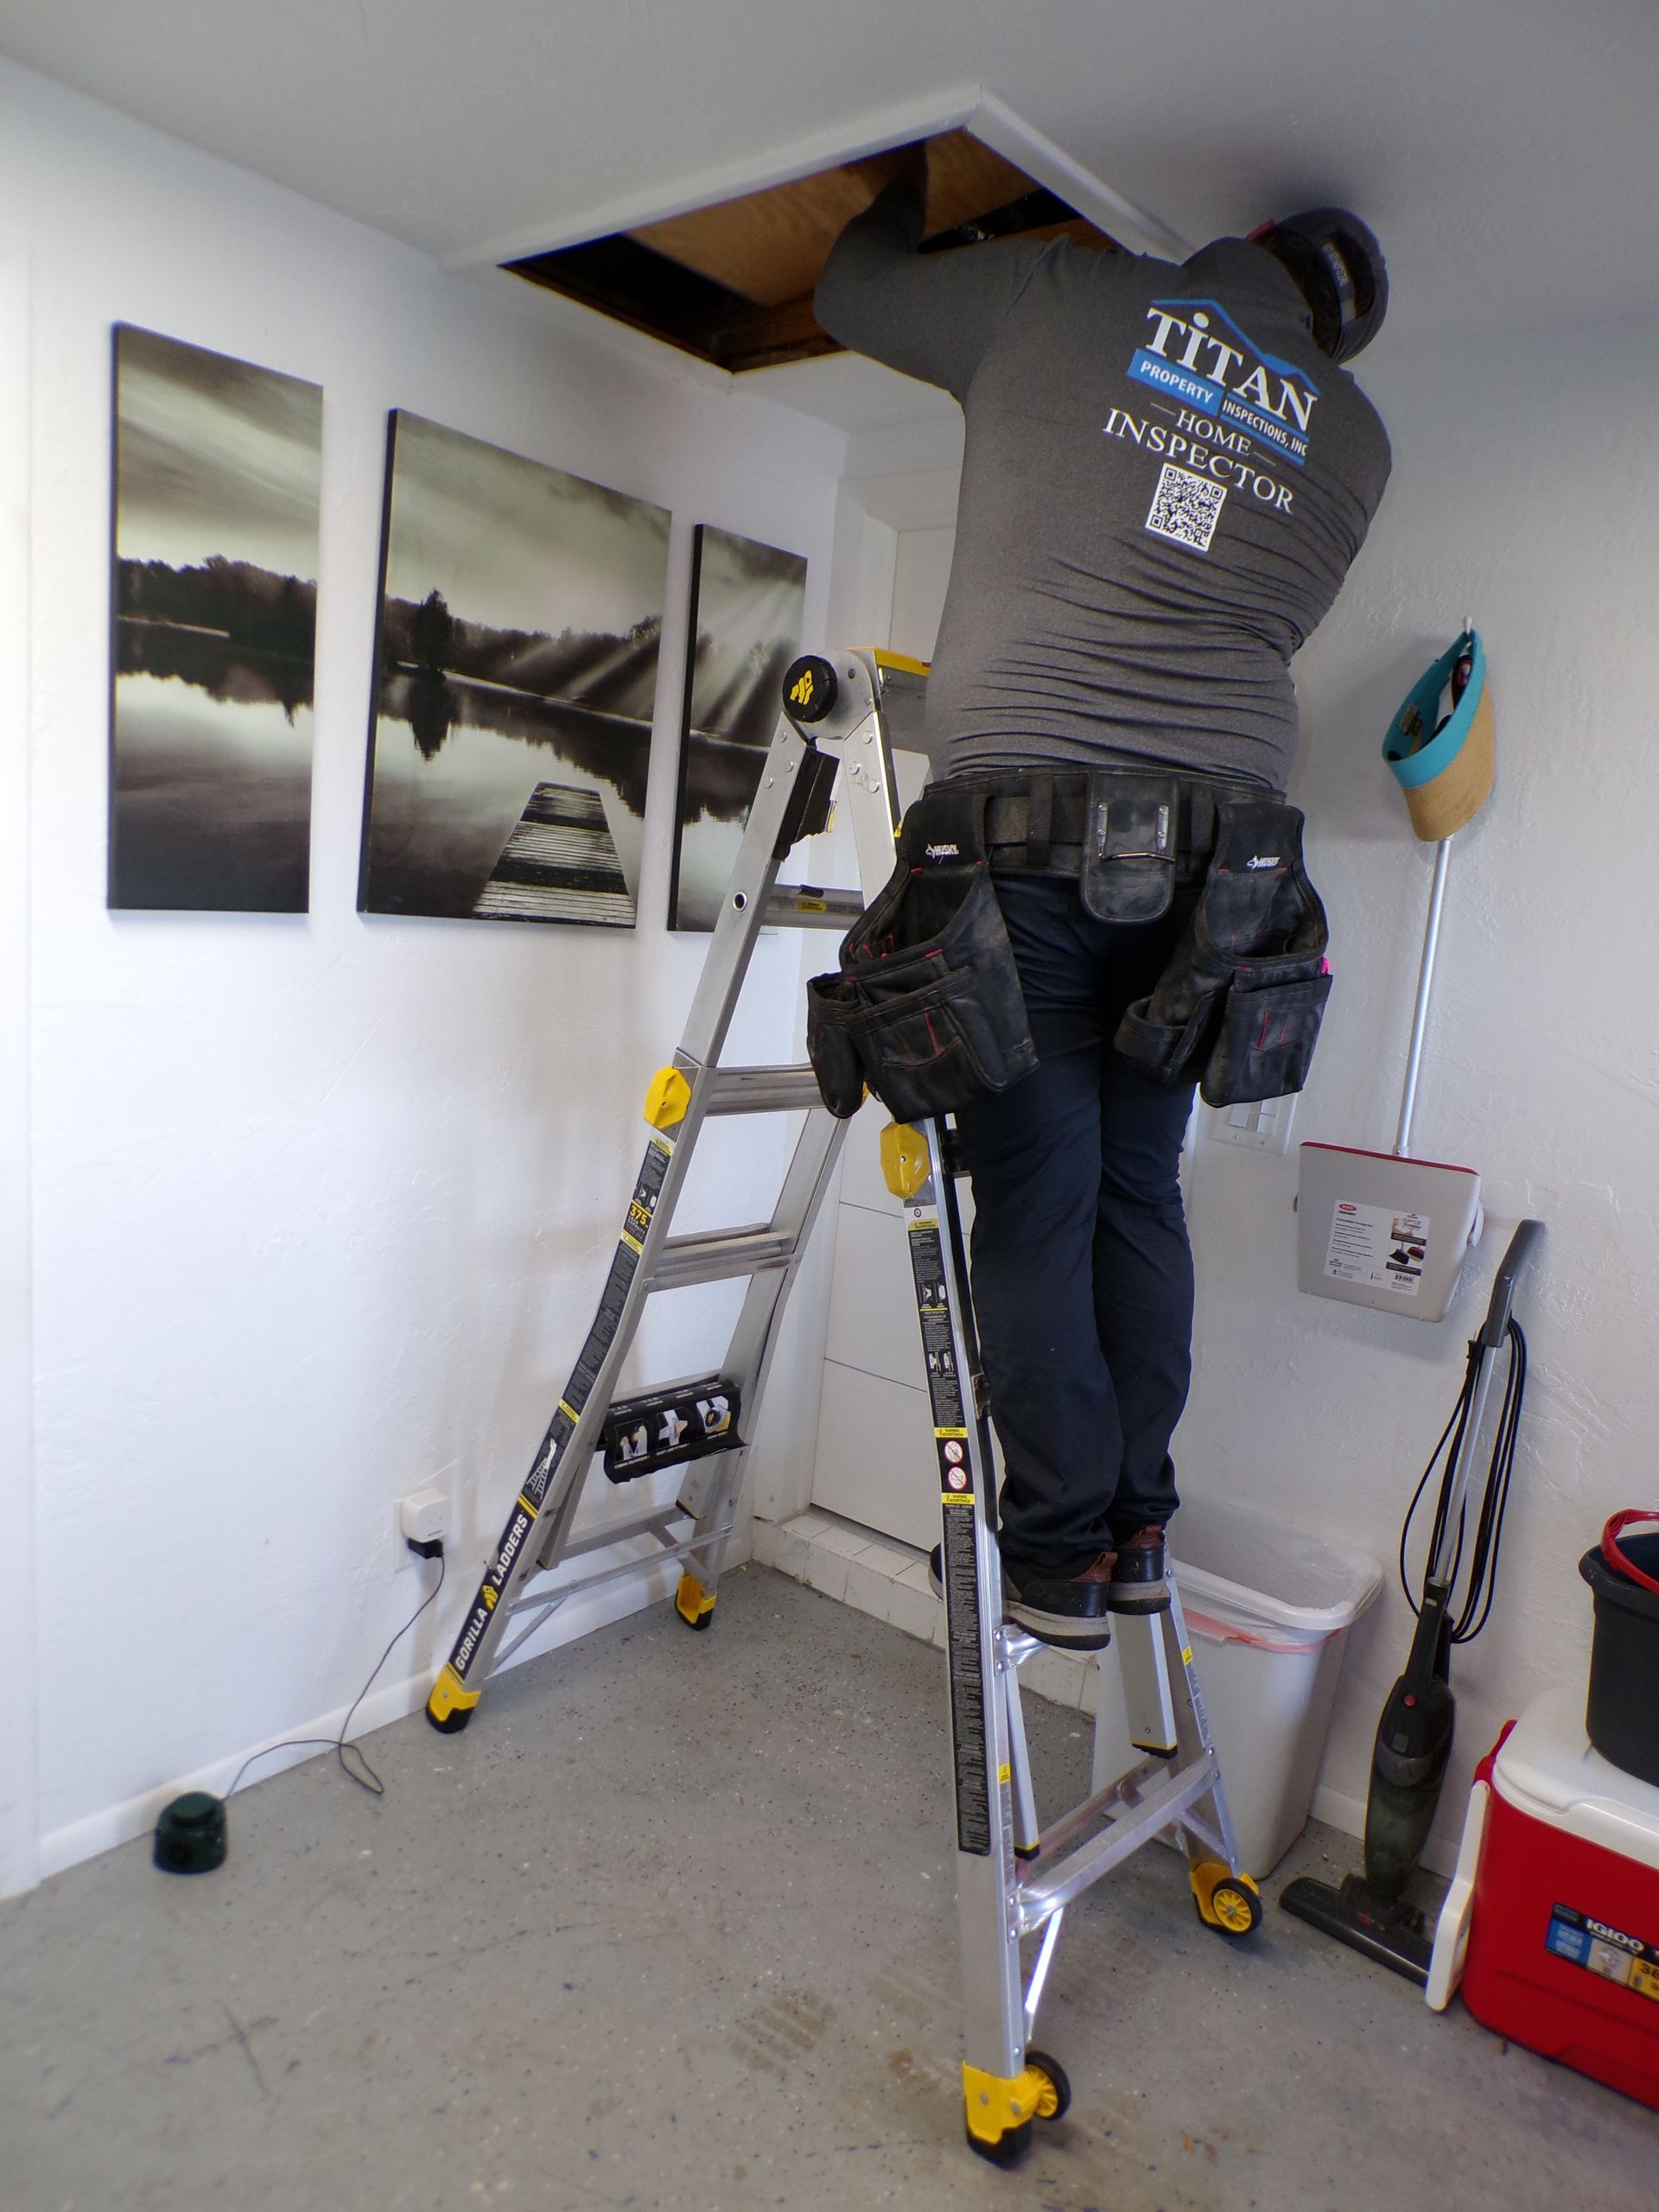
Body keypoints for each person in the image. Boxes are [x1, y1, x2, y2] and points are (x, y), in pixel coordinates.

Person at [814, 155, 1392, 1648]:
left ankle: (1058, 1549)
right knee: (1138, 1194)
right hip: (1224, 884)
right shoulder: (1356, 442)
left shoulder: (1064, 297)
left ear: (1240, 239)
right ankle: (1133, 1527)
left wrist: (902, 179)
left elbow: (852, 293)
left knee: (1042, 1199)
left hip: (1029, 847)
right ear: (1330, 345)